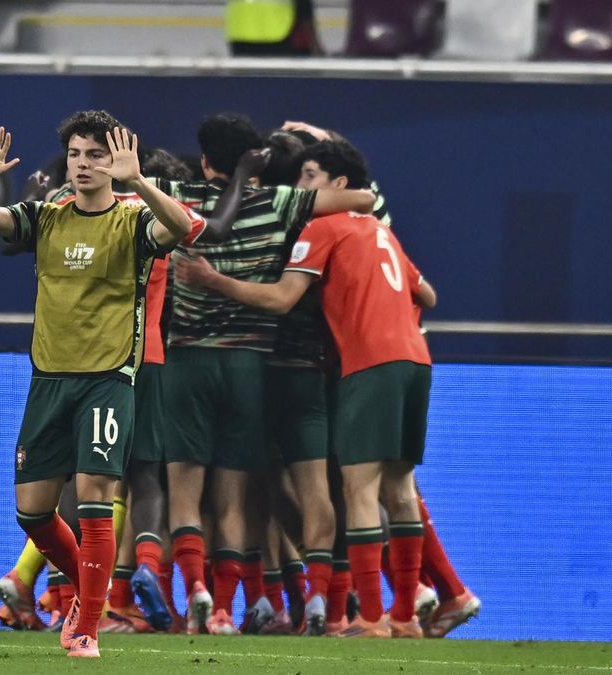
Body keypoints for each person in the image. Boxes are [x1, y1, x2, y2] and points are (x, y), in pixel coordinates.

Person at [0, 111, 194, 658]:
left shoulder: (132, 220)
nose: (83, 165)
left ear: (115, 163)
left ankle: (84, 624)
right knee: (34, 512)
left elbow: (181, 228)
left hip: (107, 380)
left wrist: (140, 184)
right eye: (76, 155)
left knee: (94, 497)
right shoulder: (45, 217)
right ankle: (92, 594)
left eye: (95, 155)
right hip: (49, 381)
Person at [177, 139, 435, 639]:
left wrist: (215, 281)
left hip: (369, 363)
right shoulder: (382, 233)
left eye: (311, 176)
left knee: (358, 489)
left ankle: (373, 619)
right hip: (415, 360)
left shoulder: (324, 226)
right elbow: (427, 293)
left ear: (340, 186)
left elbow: (280, 298)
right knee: (399, 491)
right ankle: (405, 617)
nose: (301, 186)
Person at [154, 113, 374, 635]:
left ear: (205, 160)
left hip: (190, 359)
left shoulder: (177, 196)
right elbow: (362, 201)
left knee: (191, 495)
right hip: (266, 365)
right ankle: (264, 606)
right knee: (249, 497)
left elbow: (129, 188)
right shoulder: (281, 205)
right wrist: (323, 154)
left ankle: (203, 596)